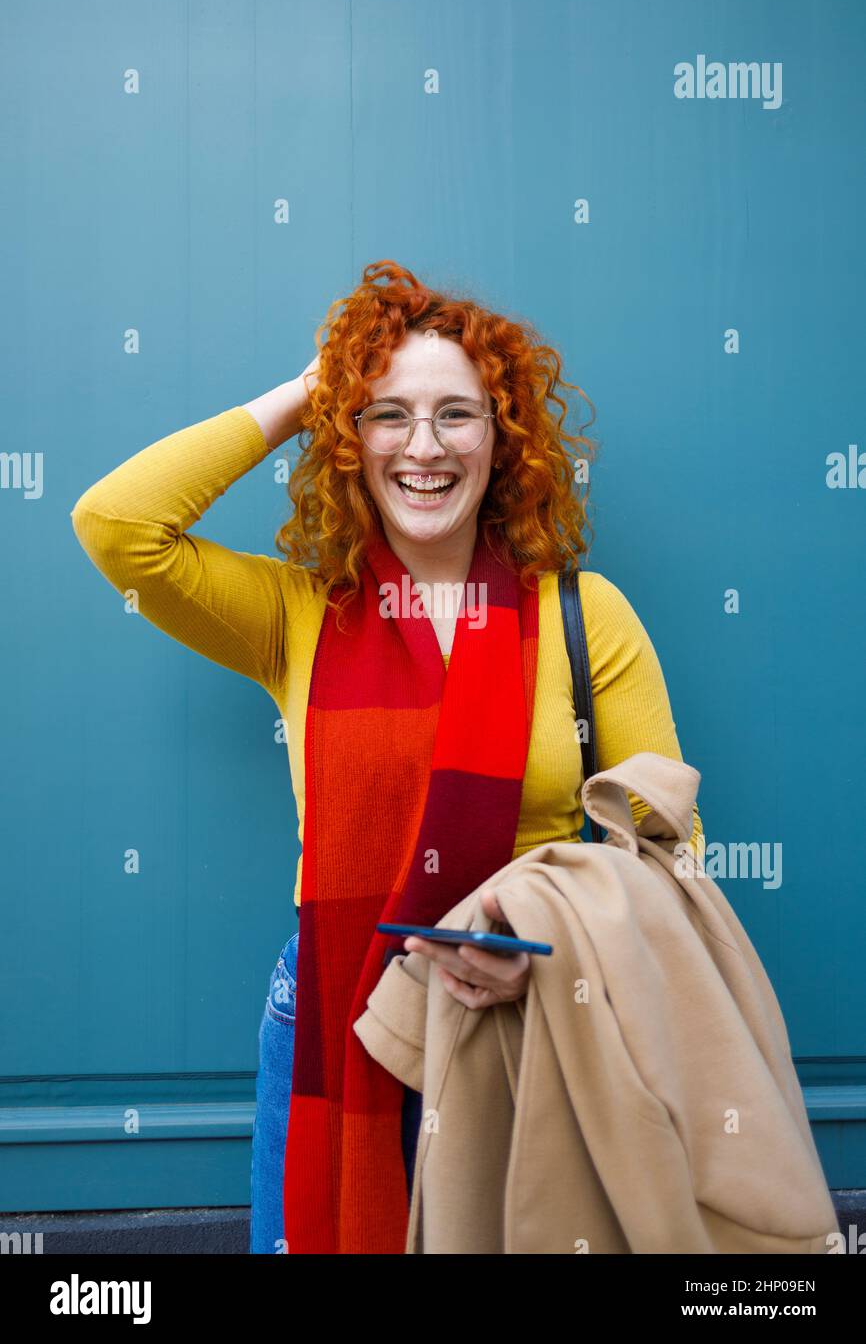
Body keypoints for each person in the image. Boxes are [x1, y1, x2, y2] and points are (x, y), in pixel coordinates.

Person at [71, 259, 704, 1255]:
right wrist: (307, 390)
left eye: (457, 415)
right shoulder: (295, 615)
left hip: (534, 1019)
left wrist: (548, 943)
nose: (422, 446)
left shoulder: (586, 616)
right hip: (335, 1017)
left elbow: (669, 851)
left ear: (502, 443)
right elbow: (116, 526)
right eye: (384, 414)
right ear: (346, 437)